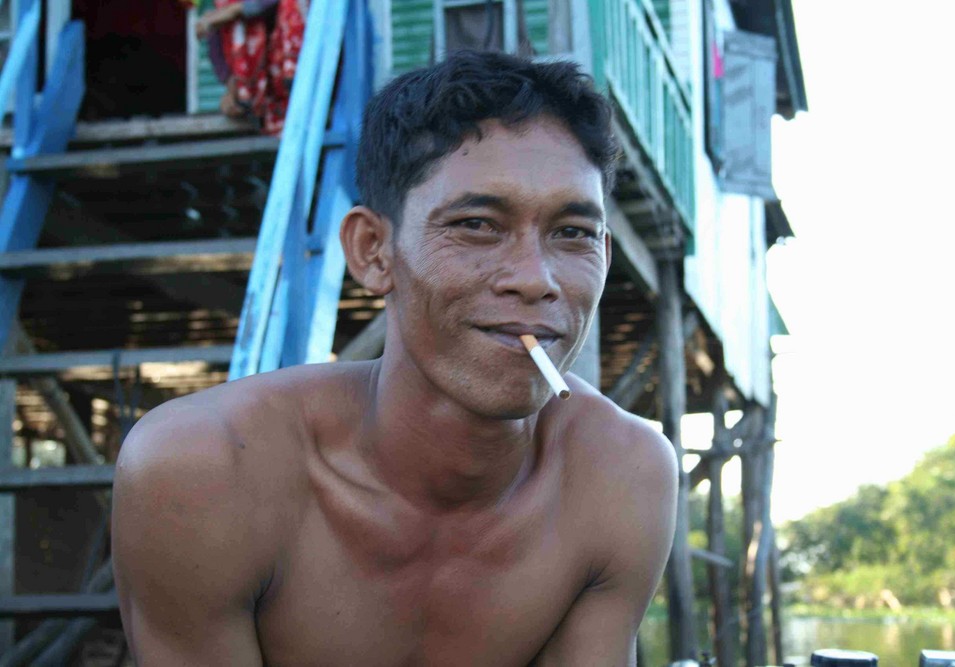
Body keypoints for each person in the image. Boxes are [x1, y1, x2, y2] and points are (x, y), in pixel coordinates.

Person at [111, 50, 678, 665]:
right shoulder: (207, 471)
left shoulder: (620, 476)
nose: (536, 279)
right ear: (374, 251)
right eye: (477, 224)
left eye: (572, 233)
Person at [195, 0, 308, 135]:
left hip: (297, 70)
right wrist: (231, 86)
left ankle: (292, 79)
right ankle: (244, 93)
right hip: (260, 89)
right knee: (222, 14)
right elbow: (214, 24)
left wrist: (235, 10)